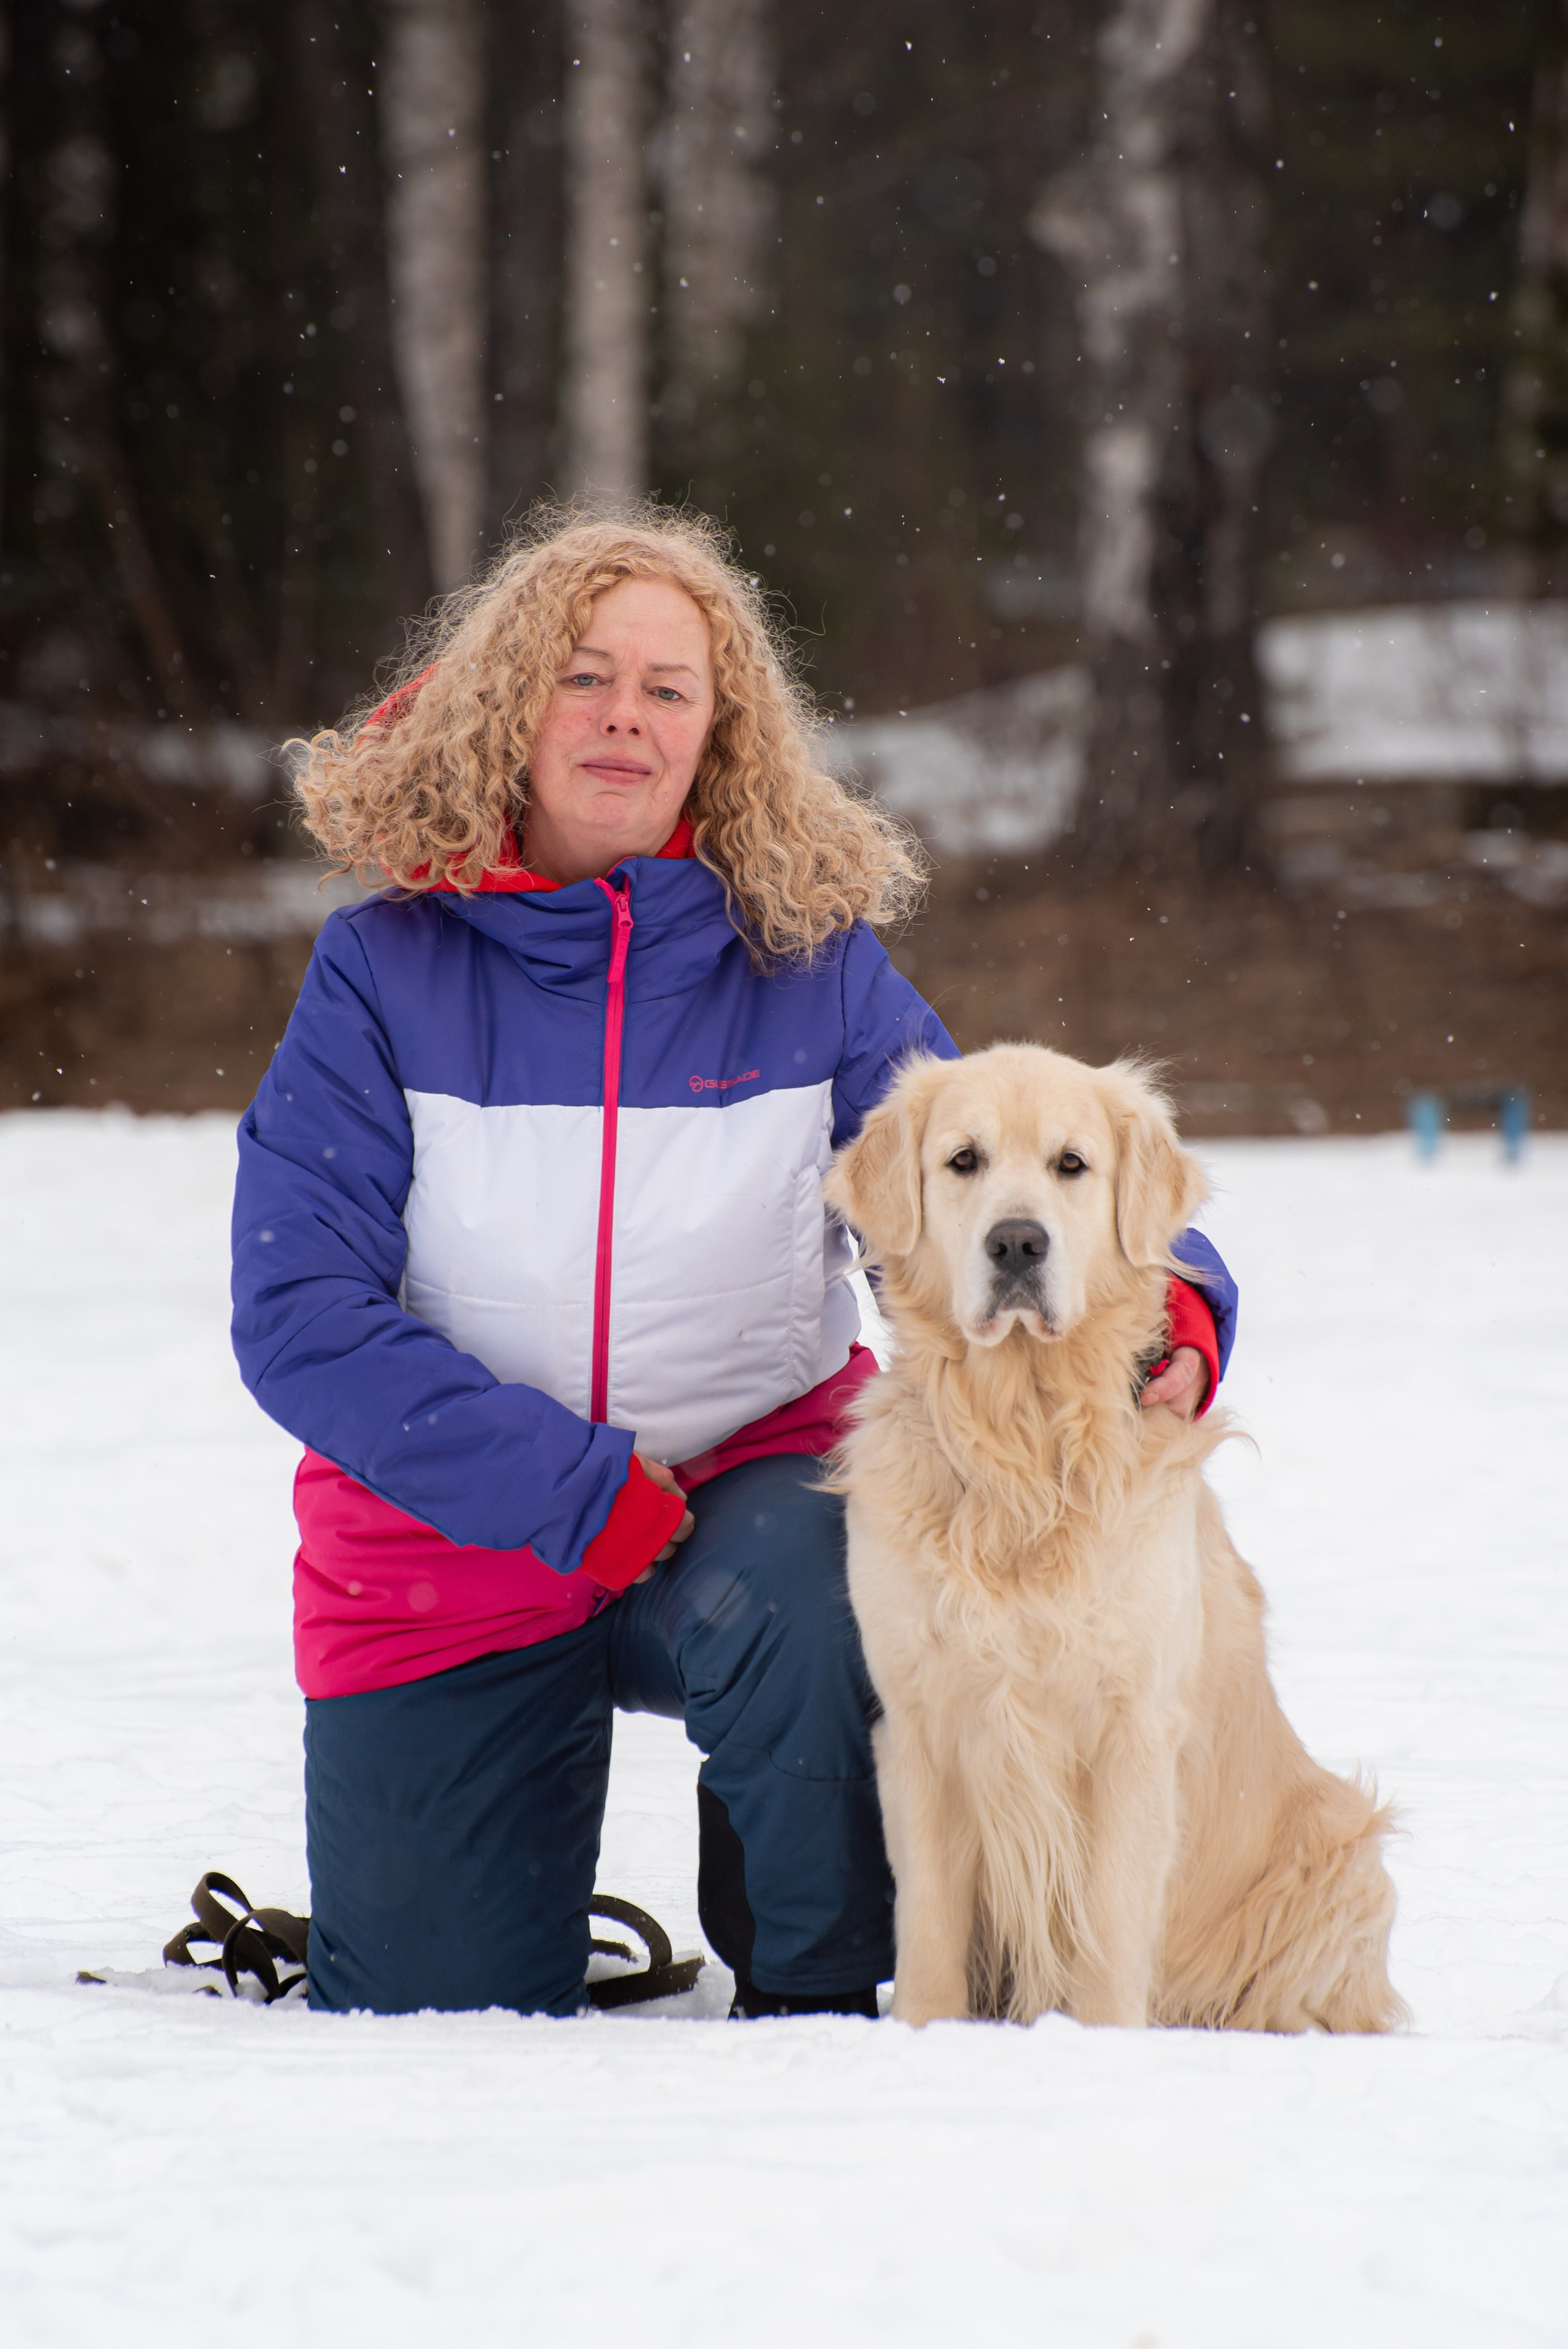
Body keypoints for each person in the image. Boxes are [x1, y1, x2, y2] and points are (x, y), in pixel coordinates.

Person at [231, 508, 1236, 2020]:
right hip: (448, 1546)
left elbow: (998, 1157)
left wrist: (1184, 1305)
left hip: (738, 1509)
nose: (625, 715)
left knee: (832, 1582)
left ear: (722, 729)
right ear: (510, 696)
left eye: (668, 687)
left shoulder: (808, 961)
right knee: (431, 2001)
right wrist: (564, 1490)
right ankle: (470, 1890)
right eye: (585, 676)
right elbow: (297, 1315)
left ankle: (821, 1997)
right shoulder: (382, 966)